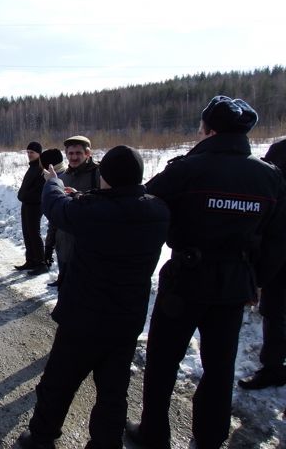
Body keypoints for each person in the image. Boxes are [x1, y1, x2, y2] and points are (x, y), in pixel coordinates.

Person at [126, 96, 286, 449]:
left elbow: (142, 209)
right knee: (219, 366)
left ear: (208, 129)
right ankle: (210, 437)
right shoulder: (269, 176)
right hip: (234, 285)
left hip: (185, 281)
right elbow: (278, 241)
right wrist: (255, 279)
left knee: (163, 361)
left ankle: (153, 433)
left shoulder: (186, 169)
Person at [17, 145, 170, 449]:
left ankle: (41, 437)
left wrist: (54, 182)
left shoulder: (92, 211)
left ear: (106, 176)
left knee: (59, 382)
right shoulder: (158, 211)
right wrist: (80, 196)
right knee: (113, 390)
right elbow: (116, 208)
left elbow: (55, 206)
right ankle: (106, 442)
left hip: (83, 316)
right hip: (126, 318)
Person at [238, 138, 286, 389]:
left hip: (278, 243)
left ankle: (274, 367)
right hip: (278, 242)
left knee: (275, 309)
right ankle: (273, 366)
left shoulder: (280, 151)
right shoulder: (280, 150)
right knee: (274, 309)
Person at [45, 136, 100, 288]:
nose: (74, 157)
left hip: (86, 246)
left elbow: (105, 205)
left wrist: (79, 196)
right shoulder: (62, 178)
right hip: (63, 245)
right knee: (65, 290)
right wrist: (49, 245)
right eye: (70, 153)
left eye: (78, 153)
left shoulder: (98, 175)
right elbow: (55, 214)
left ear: (87, 154)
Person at [15, 141, 47, 275]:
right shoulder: (32, 167)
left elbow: (39, 191)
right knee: (27, 233)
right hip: (26, 204)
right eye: (28, 152)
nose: (29, 154)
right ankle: (31, 260)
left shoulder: (41, 168)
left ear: (39, 153)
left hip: (35, 206)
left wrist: (24, 195)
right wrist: (22, 195)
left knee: (34, 233)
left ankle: (41, 263)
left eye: (32, 152)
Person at [40, 149, 67, 282]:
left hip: (63, 228)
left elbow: (55, 215)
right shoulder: (57, 176)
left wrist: (48, 246)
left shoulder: (58, 179)